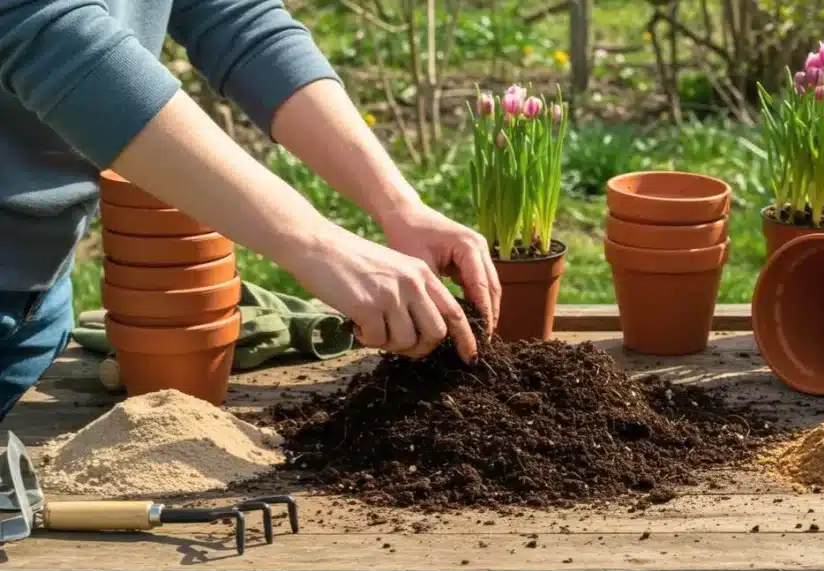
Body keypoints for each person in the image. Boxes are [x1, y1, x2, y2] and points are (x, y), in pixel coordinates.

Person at [0, 0, 500, 420]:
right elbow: (52, 35)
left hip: (38, 298)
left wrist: (398, 205)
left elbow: (237, 17)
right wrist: (319, 244)